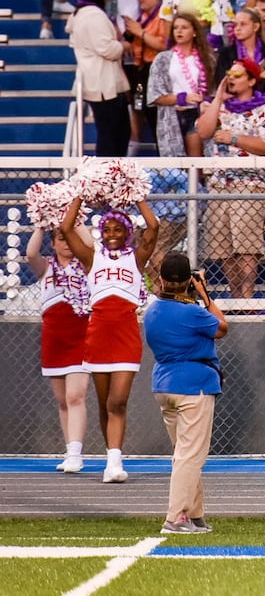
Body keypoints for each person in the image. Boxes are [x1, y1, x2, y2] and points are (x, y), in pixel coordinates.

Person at [60, 194, 160, 484]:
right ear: (100, 233)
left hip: (126, 335)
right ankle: (112, 459)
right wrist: (79, 195)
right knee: (105, 403)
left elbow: (153, 227)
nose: (112, 235)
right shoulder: (93, 258)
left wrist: (138, 197)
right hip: (98, 335)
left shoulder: (137, 258)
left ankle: (115, 459)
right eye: (107, 230)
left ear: (127, 232)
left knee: (118, 402)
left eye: (118, 229)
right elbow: (66, 229)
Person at [144, 254, 227, 533]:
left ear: (163, 279)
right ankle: (176, 516)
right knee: (190, 455)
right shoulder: (193, 312)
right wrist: (204, 293)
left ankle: (194, 513)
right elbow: (222, 327)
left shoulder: (153, 310)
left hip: (164, 384)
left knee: (184, 452)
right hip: (194, 385)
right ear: (187, 281)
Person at [193, 58, 265, 299]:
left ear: (252, 80)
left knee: (247, 244)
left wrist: (234, 139)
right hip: (219, 182)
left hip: (252, 183)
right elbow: (203, 132)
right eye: (229, 73)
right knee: (223, 245)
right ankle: (236, 297)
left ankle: (248, 296)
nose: (231, 78)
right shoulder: (220, 106)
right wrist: (218, 98)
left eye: (238, 75)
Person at [27, 226, 90, 473]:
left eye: (69, 239)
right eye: (61, 239)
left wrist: (78, 224)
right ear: (53, 244)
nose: (66, 244)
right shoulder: (46, 268)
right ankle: (70, 450)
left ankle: (76, 453)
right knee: (63, 400)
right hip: (54, 340)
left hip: (81, 337)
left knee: (76, 396)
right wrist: (41, 226)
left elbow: (90, 246)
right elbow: (31, 253)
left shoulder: (86, 264)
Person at [68, 0, 131, 156]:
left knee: (117, 133)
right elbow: (107, 49)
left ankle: (113, 176)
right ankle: (106, 177)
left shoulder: (85, 12)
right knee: (111, 136)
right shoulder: (93, 15)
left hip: (103, 83)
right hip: (104, 86)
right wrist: (124, 46)